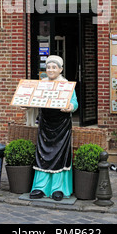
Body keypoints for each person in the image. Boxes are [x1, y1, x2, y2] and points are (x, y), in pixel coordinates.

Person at [30, 55, 78, 201]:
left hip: (61, 126)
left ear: (60, 69)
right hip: (45, 123)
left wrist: (70, 106)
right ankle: (40, 187)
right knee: (42, 154)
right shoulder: (42, 83)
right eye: (48, 67)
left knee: (60, 156)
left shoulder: (66, 85)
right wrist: (26, 103)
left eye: (54, 67)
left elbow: (74, 102)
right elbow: (33, 98)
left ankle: (59, 188)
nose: (50, 70)